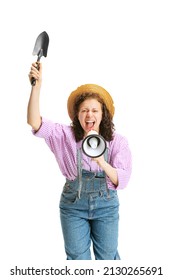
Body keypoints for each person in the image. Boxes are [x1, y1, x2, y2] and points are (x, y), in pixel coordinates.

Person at [27, 62, 132, 260]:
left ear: (103, 115)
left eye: (95, 110)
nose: (89, 115)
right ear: (77, 115)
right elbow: (34, 122)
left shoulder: (117, 142)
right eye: (84, 110)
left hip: (106, 205)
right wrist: (36, 87)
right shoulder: (64, 135)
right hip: (73, 204)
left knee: (108, 260)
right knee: (77, 261)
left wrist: (102, 161)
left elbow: (123, 179)